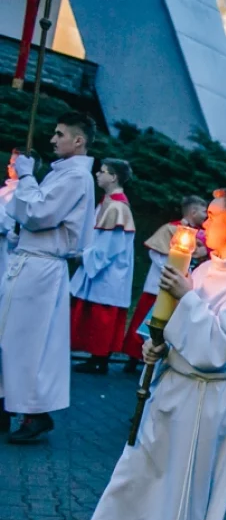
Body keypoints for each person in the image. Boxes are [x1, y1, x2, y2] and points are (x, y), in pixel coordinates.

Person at [69, 187, 226, 520]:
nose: (203, 224)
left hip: (205, 396)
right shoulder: (205, 268)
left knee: (180, 490)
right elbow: (175, 323)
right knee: (138, 477)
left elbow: (219, 349)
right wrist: (157, 344)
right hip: (174, 385)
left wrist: (187, 296)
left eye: (211, 216)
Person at [2, 112, 96, 443]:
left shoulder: (76, 177)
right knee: (10, 336)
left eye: (60, 134)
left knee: (29, 342)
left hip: (41, 268)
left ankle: (35, 414)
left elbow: (39, 213)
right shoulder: (64, 173)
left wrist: (26, 177)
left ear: (78, 140)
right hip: (30, 261)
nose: (53, 139)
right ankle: (7, 403)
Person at [121, 196, 208, 373]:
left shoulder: (203, 234)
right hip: (158, 283)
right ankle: (134, 357)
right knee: (145, 319)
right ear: (192, 211)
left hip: (181, 285)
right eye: (203, 211)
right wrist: (171, 269)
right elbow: (156, 253)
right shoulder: (170, 228)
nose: (206, 216)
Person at [69, 159, 136, 375]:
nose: (98, 174)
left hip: (109, 271)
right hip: (102, 269)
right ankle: (96, 357)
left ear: (113, 177)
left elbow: (109, 246)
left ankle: (100, 359)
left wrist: (84, 257)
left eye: (102, 171)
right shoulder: (108, 202)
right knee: (95, 312)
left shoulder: (117, 207)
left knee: (102, 314)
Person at [0, 150, 28, 280]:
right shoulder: (4, 190)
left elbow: (8, 223)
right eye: (9, 163)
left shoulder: (24, 193)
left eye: (13, 164)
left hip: (7, 249)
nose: (9, 167)